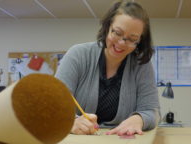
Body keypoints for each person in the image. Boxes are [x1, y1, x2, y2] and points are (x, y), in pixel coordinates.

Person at [55, 0, 160, 136]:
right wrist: (71, 121)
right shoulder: (78, 55)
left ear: (140, 41)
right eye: (117, 33)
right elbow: (54, 104)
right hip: (78, 141)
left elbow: (152, 111)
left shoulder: (141, 64)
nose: (121, 43)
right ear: (107, 27)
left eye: (132, 39)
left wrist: (139, 119)